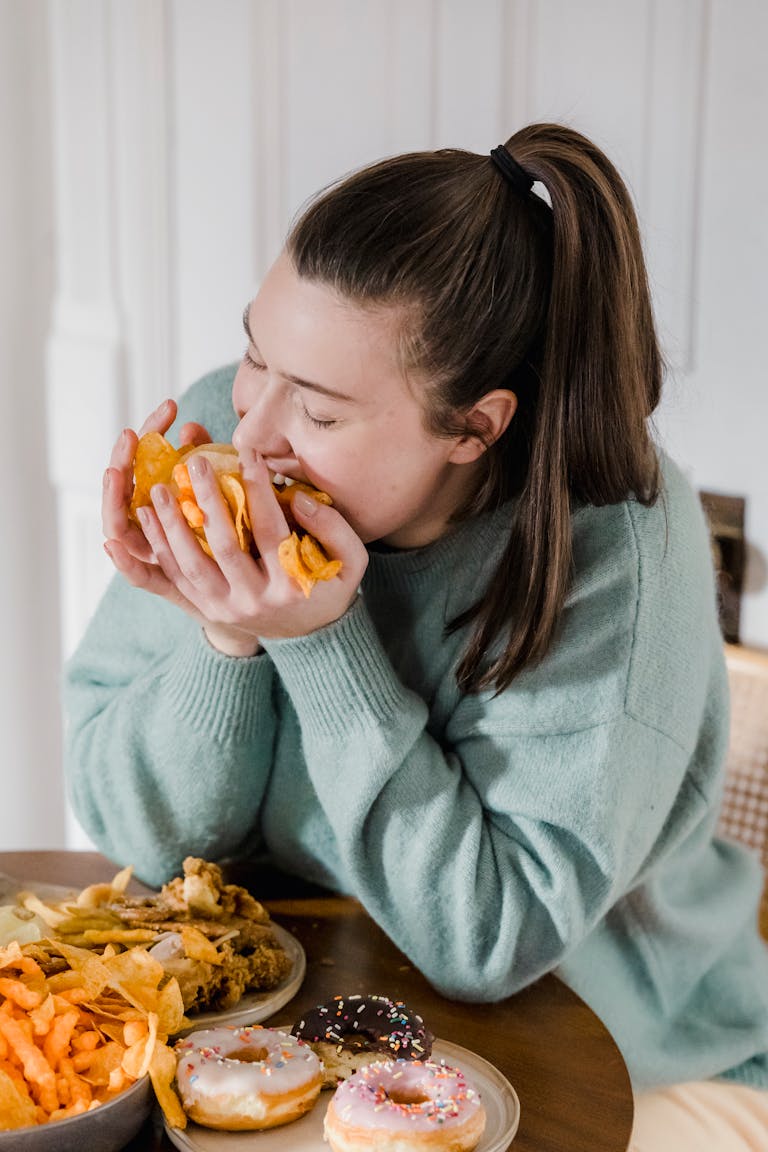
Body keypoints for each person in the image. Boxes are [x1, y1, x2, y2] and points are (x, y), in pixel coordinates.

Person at [64, 122, 768, 1149]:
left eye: (318, 410)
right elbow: (144, 847)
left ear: (473, 428)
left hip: (627, 1051)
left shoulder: (613, 550)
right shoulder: (238, 420)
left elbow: (489, 941)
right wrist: (222, 641)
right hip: (310, 1015)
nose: (249, 435)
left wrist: (318, 640)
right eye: (257, 356)